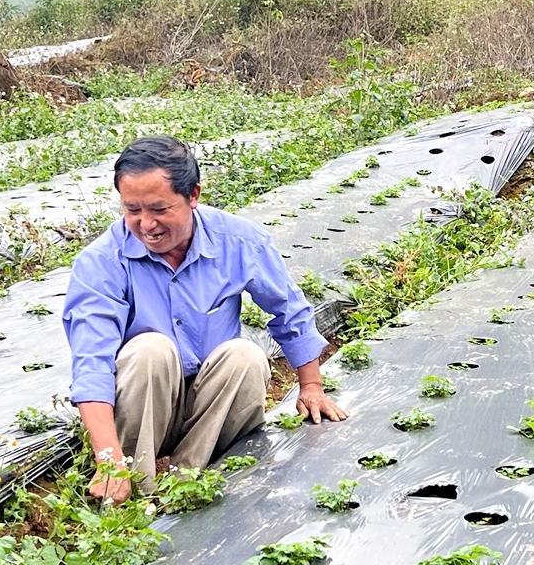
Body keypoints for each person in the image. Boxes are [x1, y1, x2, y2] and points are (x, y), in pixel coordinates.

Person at [63, 135, 348, 504]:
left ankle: (188, 487)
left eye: (159, 209)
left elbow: (288, 309)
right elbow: (92, 359)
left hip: (212, 411)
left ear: (193, 196)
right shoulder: (101, 261)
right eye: (132, 209)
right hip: (141, 412)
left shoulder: (239, 241)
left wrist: (311, 386)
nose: (146, 224)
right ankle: (133, 492)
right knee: (150, 349)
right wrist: (107, 458)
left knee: (245, 356)